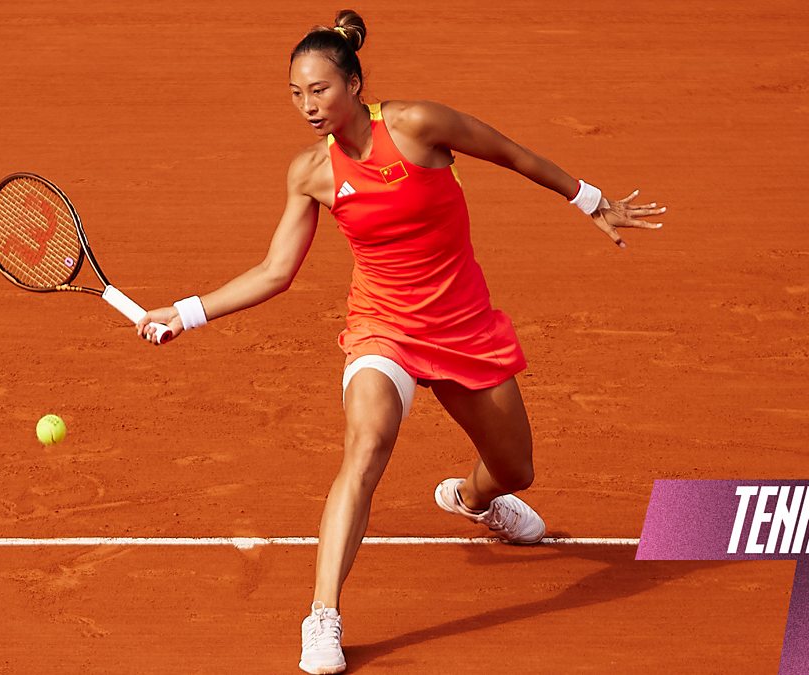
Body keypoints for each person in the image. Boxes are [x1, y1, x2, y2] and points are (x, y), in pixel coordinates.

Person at [136, 9, 666, 674]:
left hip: (464, 327)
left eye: (320, 89)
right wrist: (184, 312)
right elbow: (276, 271)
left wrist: (589, 199)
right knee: (367, 441)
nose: (308, 106)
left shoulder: (417, 126)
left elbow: (508, 151)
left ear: (355, 84)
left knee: (516, 470)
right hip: (382, 327)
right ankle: (322, 616)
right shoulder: (311, 173)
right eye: (297, 94)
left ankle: (475, 500)